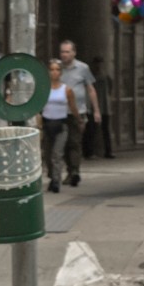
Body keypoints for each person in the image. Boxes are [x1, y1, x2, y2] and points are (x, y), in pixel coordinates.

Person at [59, 40, 101, 186]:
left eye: (67, 52)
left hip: (78, 112)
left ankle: (74, 171)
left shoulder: (83, 68)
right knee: (63, 144)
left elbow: (90, 89)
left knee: (74, 142)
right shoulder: (56, 68)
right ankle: (70, 169)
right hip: (59, 111)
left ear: (74, 53)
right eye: (62, 52)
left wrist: (96, 110)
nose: (64, 55)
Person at [39, 59, 79, 194]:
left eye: (57, 70)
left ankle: (56, 180)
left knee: (57, 154)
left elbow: (73, 108)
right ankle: (51, 177)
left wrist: (79, 120)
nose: (55, 72)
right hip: (47, 124)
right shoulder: (43, 89)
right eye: (52, 69)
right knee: (48, 154)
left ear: (61, 73)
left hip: (61, 124)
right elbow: (39, 108)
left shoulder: (66, 90)